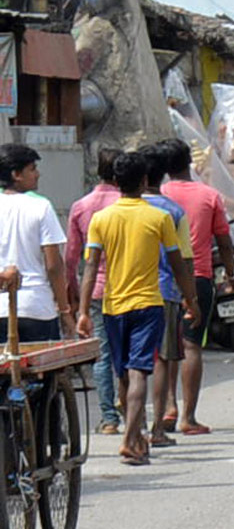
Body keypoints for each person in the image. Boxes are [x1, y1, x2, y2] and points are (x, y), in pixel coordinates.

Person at [77, 152, 198, 466]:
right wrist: (191, 300)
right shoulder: (158, 218)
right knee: (139, 371)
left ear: (116, 182)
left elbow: (90, 267)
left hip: (113, 306)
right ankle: (131, 439)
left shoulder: (101, 219)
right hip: (148, 304)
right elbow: (177, 264)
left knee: (124, 375)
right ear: (144, 181)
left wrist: (82, 311)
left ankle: (134, 436)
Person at [161, 137, 234, 435]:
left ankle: (169, 405)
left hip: (163, 279)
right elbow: (224, 239)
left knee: (166, 347)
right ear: (188, 163)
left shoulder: (157, 194)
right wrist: (230, 272)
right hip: (198, 277)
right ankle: (188, 417)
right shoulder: (209, 195)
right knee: (191, 345)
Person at [140, 142, 196, 447]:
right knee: (161, 360)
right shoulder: (173, 212)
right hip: (164, 291)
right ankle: (157, 428)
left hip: (123, 293)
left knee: (131, 365)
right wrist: (191, 298)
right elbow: (183, 259)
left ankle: (130, 429)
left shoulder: (113, 212)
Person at [66, 147, 123, 433]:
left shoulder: (82, 206)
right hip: (130, 289)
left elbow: (72, 259)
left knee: (101, 355)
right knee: (126, 355)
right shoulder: (128, 205)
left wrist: (76, 296)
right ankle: (131, 409)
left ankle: (109, 418)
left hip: (97, 290)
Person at [0, 143, 73, 343]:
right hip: (36, 307)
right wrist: (64, 309)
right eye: (32, 169)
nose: (38, 174)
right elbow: (54, 266)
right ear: (16, 174)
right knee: (42, 372)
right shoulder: (41, 207)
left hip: (1, 309)